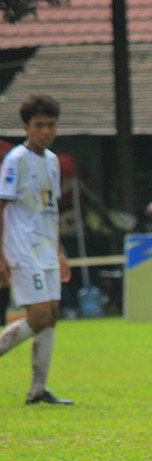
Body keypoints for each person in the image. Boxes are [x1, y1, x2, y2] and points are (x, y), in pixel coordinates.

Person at [0, 94, 73, 405]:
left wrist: (59, 250)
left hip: (46, 248)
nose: (46, 131)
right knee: (39, 316)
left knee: (52, 315)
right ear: (25, 127)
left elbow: (50, 209)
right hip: (21, 248)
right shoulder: (16, 161)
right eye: (39, 125)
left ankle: (37, 391)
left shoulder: (53, 161)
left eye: (51, 125)